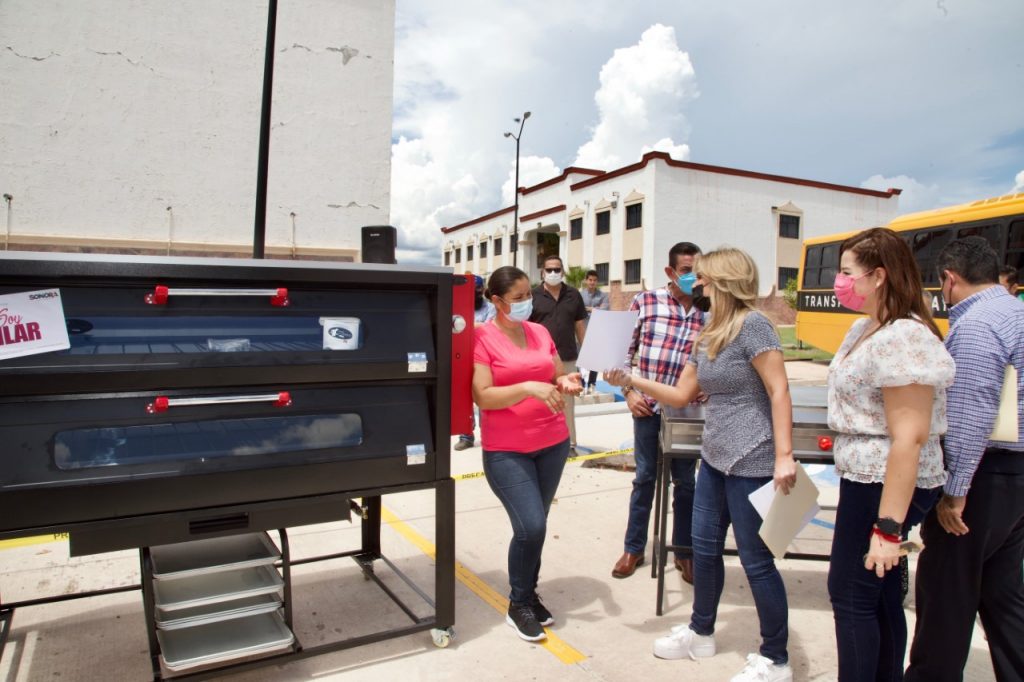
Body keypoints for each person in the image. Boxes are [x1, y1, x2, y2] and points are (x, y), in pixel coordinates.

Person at [606, 247, 798, 682]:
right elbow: (679, 395)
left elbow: (780, 391)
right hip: (714, 457)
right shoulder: (709, 332)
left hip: (753, 457)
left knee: (756, 560)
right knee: (704, 549)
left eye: (705, 278)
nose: (699, 284)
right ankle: (701, 632)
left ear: (725, 281)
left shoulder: (755, 326)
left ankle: (776, 659)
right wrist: (629, 379)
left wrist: (784, 455)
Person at [825, 227, 954, 682]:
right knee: (875, 597)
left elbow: (910, 438)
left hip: (884, 484)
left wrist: (888, 528)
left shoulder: (905, 336)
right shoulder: (866, 327)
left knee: (850, 595)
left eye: (846, 272)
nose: (839, 281)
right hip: (864, 478)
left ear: (878, 275)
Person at [905, 237, 1024, 681]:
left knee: (946, 598)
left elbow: (972, 413)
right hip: (1014, 478)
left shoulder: (977, 326)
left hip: (982, 477)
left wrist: (953, 493)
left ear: (949, 279)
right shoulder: (1016, 312)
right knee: (1003, 595)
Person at [472, 266, 583, 642]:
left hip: (551, 442)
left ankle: (528, 595)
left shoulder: (540, 331)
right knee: (530, 525)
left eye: (527, 296)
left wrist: (566, 381)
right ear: (496, 301)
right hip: (507, 450)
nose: (525, 303)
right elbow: (482, 396)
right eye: (517, 298)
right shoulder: (482, 338)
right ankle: (518, 603)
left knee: (537, 526)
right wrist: (529, 388)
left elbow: (555, 376)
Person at [611, 241, 704, 584]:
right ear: (670, 272)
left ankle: (683, 551)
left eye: (698, 272)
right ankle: (633, 548)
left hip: (687, 412)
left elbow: (713, 359)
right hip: (647, 407)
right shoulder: (646, 301)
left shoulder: (707, 311)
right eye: (686, 271)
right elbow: (623, 350)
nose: (693, 278)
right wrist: (629, 391)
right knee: (645, 479)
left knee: (686, 483)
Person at [529, 255, 587, 450]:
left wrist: (586, 352)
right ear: (542, 272)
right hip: (541, 359)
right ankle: (542, 443)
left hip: (568, 357)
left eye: (557, 269)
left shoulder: (573, 295)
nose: (553, 273)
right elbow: (525, 327)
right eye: (549, 270)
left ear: (562, 271)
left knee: (567, 404)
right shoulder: (532, 296)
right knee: (540, 401)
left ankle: (569, 444)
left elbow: (579, 325)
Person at [455, 274, 496, 451]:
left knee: (485, 395)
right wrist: (473, 326)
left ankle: (489, 434)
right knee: (464, 397)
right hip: (462, 355)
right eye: (472, 290)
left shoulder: (491, 307)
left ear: (482, 290)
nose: (475, 293)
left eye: (478, 290)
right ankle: (466, 435)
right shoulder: (458, 305)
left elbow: (490, 329)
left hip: (485, 357)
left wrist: (465, 325)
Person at [579, 269, 609, 395]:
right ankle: (580, 384)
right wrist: (595, 309)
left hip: (597, 330)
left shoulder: (603, 296)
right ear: (586, 281)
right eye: (590, 280)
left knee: (595, 360)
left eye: (595, 280)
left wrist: (588, 309)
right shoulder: (580, 295)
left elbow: (605, 309)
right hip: (581, 330)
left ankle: (592, 384)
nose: (592, 282)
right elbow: (577, 309)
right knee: (580, 359)